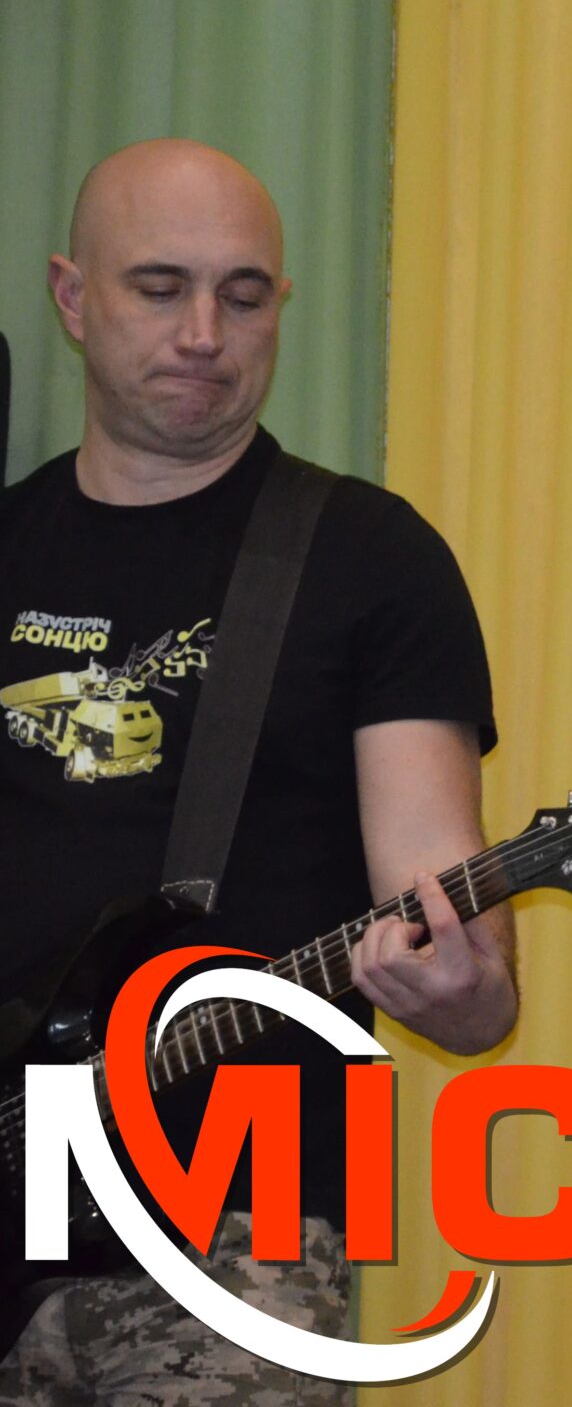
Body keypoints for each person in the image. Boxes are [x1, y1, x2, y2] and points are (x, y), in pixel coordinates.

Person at [0, 138, 516, 1404]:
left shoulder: (369, 558)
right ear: (71, 297)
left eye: (242, 296)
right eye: (159, 287)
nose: (203, 333)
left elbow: (454, 925)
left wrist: (462, 983)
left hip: (241, 1219)